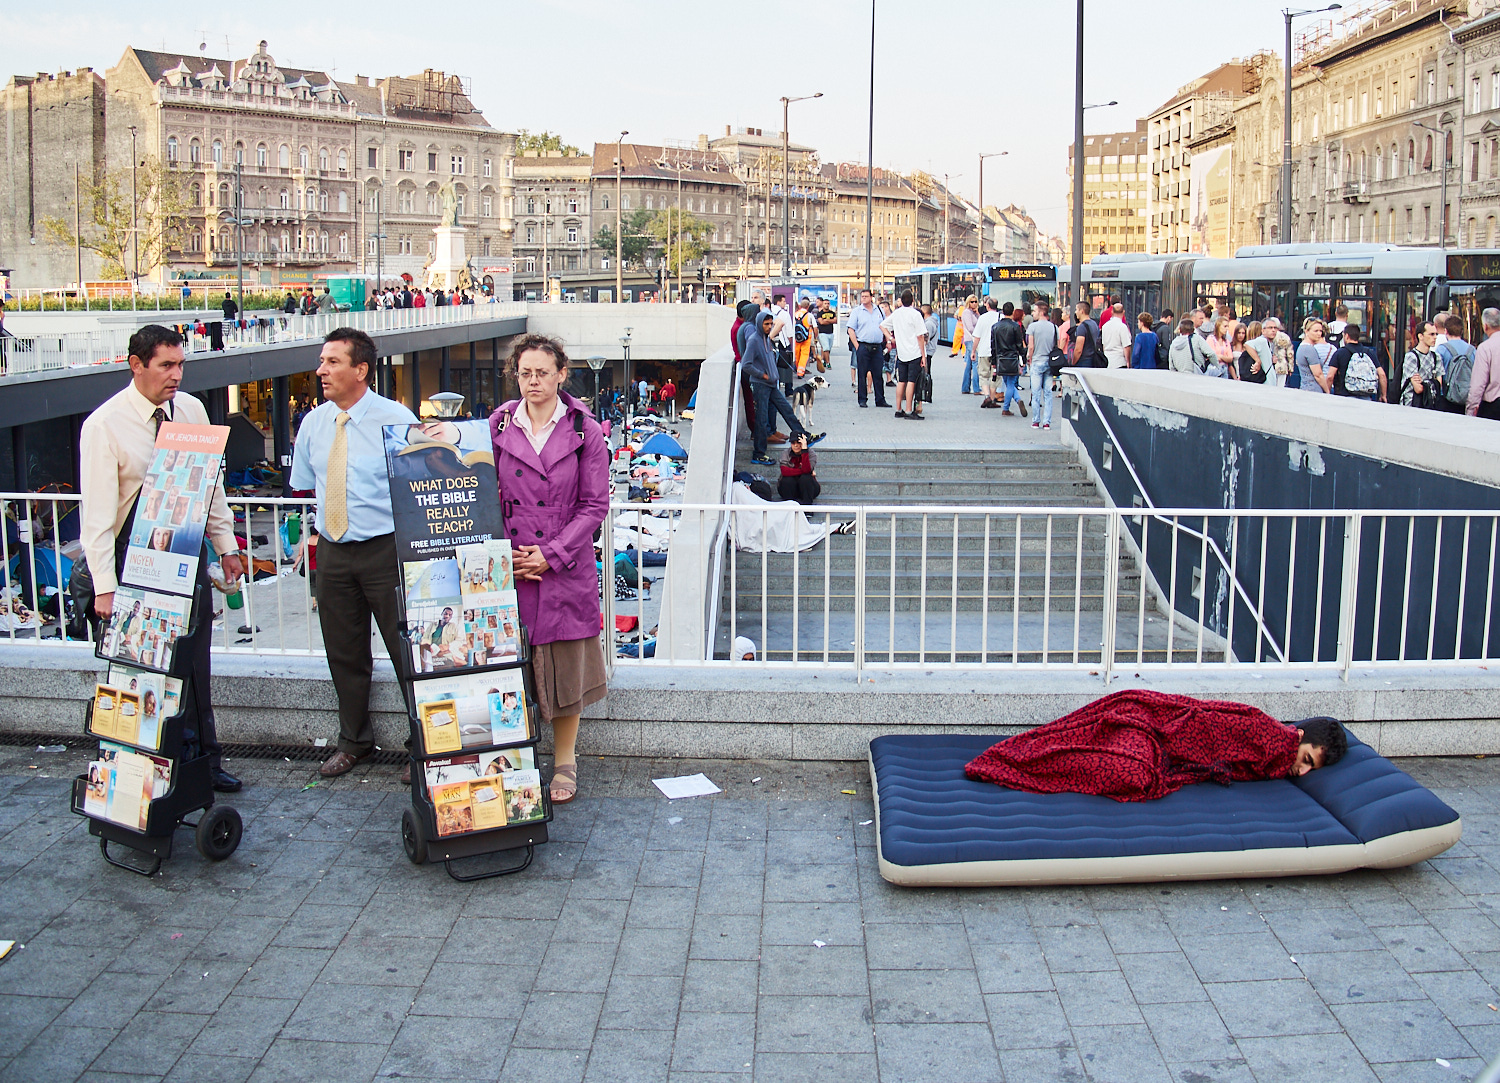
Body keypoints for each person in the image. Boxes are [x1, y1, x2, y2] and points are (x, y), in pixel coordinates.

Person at [78, 325, 248, 793]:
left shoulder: (191, 409)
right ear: (137, 365)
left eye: (180, 365)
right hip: (130, 565)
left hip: (184, 555)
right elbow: (95, 518)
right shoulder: (104, 425)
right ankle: (143, 773)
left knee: (194, 666)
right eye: (166, 365)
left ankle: (204, 765)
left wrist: (227, 545)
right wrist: (105, 587)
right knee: (139, 672)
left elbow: (208, 487)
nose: (176, 375)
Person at [289, 329, 421, 779]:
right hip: (334, 553)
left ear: (360, 370)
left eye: (332, 362)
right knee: (343, 652)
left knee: (407, 649)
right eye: (321, 361)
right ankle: (354, 742)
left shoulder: (395, 418)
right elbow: (308, 482)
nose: (321, 370)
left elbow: (415, 486)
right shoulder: (313, 423)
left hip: (386, 551)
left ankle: (421, 744)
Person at [488, 334, 611, 804]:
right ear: (514, 375)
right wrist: (507, 556)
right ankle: (513, 758)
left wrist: (551, 554)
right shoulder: (498, 426)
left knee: (563, 671)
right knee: (508, 666)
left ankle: (565, 761)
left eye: (542, 372)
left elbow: (594, 505)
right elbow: (483, 496)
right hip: (513, 565)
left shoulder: (585, 430)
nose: (533, 381)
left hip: (563, 565)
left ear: (562, 374)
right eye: (525, 373)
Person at [963, 689, 1348, 802]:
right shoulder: (1272, 739)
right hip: (1158, 732)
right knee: (1127, 768)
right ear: (1298, 736)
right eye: (1306, 759)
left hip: (1160, 745)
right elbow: (1205, 726)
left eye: (1312, 768)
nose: (1302, 770)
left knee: (1130, 771)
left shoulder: (1276, 756)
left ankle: (1013, 761)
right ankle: (1009, 762)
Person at [745, 310, 820, 464]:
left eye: (770, 324)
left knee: (786, 410)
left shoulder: (767, 339)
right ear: (759, 324)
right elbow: (746, 364)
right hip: (761, 385)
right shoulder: (754, 340)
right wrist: (763, 375)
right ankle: (758, 453)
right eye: (766, 324)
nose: (769, 327)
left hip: (771, 384)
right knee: (761, 418)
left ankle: (804, 435)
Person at [882, 290, 929, 420]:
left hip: (901, 353)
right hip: (914, 353)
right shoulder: (915, 314)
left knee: (901, 381)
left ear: (901, 301)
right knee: (911, 381)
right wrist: (923, 356)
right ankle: (908, 410)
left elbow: (882, 326)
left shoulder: (896, 314)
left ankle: (898, 409)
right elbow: (920, 336)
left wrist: (890, 338)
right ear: (913, 300)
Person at [847, 289, 890, 408]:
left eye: (866, 296)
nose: (864, 298)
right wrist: (856, 345)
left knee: (878, 374)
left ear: (871, 297)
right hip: (863, 346)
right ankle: (862, 399)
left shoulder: (879, 310)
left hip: (877, 346)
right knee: (862, 374)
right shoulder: (857, 311)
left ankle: (880, 400)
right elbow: (851, 329)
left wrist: (888, 341)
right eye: (862, 297)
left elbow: (885, 326)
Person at [1329, 324, 1385, 401]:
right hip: (1366, 396)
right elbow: (1382, 374)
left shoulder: (1340, 352)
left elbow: (1330, 376)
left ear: (1347, 336)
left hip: (1345, 397)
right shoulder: (1369, 352)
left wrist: (1327, 394)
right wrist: (1383, 395)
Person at [991, 301, 1027, 417]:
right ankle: (1007, 407)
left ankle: (1016, 400)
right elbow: (1019, 344)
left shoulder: (995, 327)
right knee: (1011, 383)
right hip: (1012, 358)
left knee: (1007, 382)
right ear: (1012, 312)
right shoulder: (1015, 326)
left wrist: (993, 362)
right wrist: (1023, 358)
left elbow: (993, 346)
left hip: (1000, 358)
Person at [1025, 301, 1057, 429]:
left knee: (1036, 392)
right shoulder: (1054, 327)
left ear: (1040, 312)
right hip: (1049, 362)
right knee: (1048, 393)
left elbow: (1031, 346)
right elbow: (1057, 345)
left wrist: (1029, 358)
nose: (1033, 313)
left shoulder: (1032, 327)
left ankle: (1036, 420)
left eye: (1035, 311)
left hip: (1037, 361)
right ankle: (1047, 422)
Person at [1435, 314, 1475, 414]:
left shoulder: (1442, 349)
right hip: (1466, 396)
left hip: (1446, 397)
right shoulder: (1472, 350)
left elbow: (1437, 372)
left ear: (1446, 331)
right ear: (1462, 331)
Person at [1467, 307, 1500, 419]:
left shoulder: (1485, 348)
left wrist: (1470, 411)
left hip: (1493, 407)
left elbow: (1478, 384)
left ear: (1485, 326)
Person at [1402, 321, 1445, 408]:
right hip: (1412, 404)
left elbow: (1438, 385)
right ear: (1420, 336)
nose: (1435, 337)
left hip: (1430, 405)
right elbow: (1418, 389)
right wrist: (1431, 383)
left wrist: (1424, 382)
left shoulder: (1436, 357)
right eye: (1431, 334)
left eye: (1436, 334)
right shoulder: (1411, 357)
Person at [973, 297, 1002, 408]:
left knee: (983, 375)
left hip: (984, 351)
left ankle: (987, 397)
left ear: (988, 306)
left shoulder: (982, 318)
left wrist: (973, 351)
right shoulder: (1001, 317)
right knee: (995, 376)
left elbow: (977, 336)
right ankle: (993, 398)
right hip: (997, 352)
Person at [777, 433, 820, 503]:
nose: (796, 445)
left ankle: (807, 510)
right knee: (787, 480)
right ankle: (790, 509)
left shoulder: (811, 454)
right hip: (789, 488)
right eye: (793, 443)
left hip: (808, 489)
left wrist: (804, 450)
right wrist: (802, 470)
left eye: (799, 442)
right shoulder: (786, 453)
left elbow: (806, 471)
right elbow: (784, 471)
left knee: (806, 478)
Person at [1296, 318, 1336, 393]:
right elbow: (1318, 374)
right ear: (1307, 331)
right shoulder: (1309, 349)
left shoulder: (1302, 347)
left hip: (1305, 388)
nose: (1319, 334)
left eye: (1320, 331)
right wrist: (1327, 391)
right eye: (1316, 331)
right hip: (1314, 390)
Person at [959, 295, 982, 395]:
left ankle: (965, 388)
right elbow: (970, 327)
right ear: (968, 302)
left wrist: (977, 313)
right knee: (975, 363)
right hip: (971, 340)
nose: (974, 303)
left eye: (975, 301)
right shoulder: (967, 312)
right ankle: (976, 388)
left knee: (968, 365)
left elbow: (981, 322)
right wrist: (979, 333)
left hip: (971, 340)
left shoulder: (974, 313)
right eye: (972, 302)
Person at [1069, 302, 1101, 368]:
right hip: (1093, 359)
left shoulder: (1082, 327)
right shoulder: (1094, 324)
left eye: (1077, 309)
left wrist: (1073, 362)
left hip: (1083, 360)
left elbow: (1078, 350)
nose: (1075, 312)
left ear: (1082, 311)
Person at [1101, 302, 1132, 369]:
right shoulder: (1123, 327)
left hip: (1107, 360)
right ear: (1123, 312)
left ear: (1112, 312)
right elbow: (1126, 347)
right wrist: (1128, 362)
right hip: (1119, 361)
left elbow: (1104, 345)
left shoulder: (1105, 326)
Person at [815, 298, 838, 367]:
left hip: (830, 333)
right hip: (822, 333)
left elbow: (835, 321)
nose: (827, 305)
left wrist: (826, 320)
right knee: (826, 348)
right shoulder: (820, 313)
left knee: (828, 349)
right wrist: (830, 320)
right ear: (823, 304)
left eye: (828, 304)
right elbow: (821, 322)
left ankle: (824, 361)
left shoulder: (832, 313)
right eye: (825, 303)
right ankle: (828, 363)